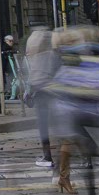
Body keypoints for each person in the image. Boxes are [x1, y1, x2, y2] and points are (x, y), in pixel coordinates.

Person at [24, 29, 60, 167]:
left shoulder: (38, 58)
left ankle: (48, 157)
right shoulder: (54, 55)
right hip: (56, 94)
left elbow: (34, 79)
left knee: (44, 127)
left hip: (42, 96)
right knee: (60, 127)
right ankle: (82, 157)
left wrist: (28, 94)